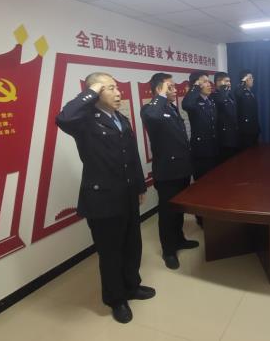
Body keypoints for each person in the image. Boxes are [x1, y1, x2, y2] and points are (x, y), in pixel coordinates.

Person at [56, 72, 155, 324]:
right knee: (111, 253)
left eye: (117, 87)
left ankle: (132, 286)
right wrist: (92, 90)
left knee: (132, 245)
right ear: (96, 92)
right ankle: (116, 299)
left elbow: (131, 156)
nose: (118, 93)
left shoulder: (121, 119)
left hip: (128, 194)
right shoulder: (84, 121)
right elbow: (64, 118)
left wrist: (140, 186)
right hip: (103, 199)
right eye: (110, 88)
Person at [140, 73, 199, 270]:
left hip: (181, 168)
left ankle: (179, 239)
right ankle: (168, 251)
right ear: (159, 89)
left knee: (179, 209)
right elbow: (153, 116)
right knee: (167, 213)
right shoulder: (150, 109)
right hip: (167, 172)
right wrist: (161, 96)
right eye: (170, 87)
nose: (175, 90)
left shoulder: (171, 107)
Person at [182, 71, 219, 227]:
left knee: (213, 186)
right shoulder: (194, 101)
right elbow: (186, 105)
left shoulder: (210, 101)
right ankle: (201, 218)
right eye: (204, 81)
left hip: (213, 149)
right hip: (201, 151)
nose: (209, 84)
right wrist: (195, 88)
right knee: (201, 187)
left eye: (209, 81)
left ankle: (212, 216)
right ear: (196, 84)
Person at [210, 72, 239, 163]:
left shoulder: (229, 95)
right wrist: (223, 88)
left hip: (233, 135)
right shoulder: (213, 96)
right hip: (224, 138)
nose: (229, 83)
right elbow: (220, 100)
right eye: (226, 81)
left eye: (229, 81)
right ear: (218, 82)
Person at [233, 69, 260, 149]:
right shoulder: (240, 91)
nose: (252, 79)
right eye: (250, 78)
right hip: (246, 130)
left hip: (254, 128)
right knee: (247, 153)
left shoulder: (250, 92)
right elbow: (237, 93)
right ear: (245, 80)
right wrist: (243, 81)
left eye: (252, 77)